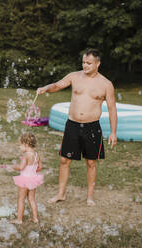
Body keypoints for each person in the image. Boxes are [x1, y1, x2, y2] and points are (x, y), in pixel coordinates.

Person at [37, 49, 117, 206]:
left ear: (97, 64)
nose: (85, 65)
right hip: (72, 125)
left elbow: (113, 108)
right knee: (64, 160)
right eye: (83, 62)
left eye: (89, 63)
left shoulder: (106, 84)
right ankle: (61, 194)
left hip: (92, 127)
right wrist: (46, 88)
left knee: (91, 162)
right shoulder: (74, 76)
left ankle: (90, 197)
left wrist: (113, 132)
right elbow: (57, 85)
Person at [8, 133, 44, 224]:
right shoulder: (36, 154)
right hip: (33, 179)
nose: (20, 147)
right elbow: (40, 167)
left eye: (20, 145)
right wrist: (33, 171)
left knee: (21, 199)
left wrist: (12, 166)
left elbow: (21, 167)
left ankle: (19, 219)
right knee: (32, 199)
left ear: (26, 144)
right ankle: (35, 218)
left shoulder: (26, 155)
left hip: (24, 180)